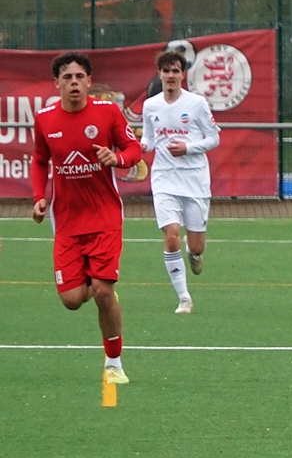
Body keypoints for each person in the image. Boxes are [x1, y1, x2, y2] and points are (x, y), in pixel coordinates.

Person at [31, 52, 143, 384]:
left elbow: (134, 149)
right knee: (72, 300)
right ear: (57, 84)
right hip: (66, 221)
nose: (74, 83)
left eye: (80, 77)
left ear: (89, 82)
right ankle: (98, 285)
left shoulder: (107, 113)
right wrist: (40, 198)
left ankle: (114, 362)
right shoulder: (45, 119)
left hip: (105, 217)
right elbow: (39, 161)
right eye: (68, 78)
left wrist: (118, 157)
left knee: (103, 292)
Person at [141, 50, 221, 314]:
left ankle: (195, 253)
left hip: (195, 180)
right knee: (171, 237)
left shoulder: (197, 103)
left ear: (182, 74)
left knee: (195, 244)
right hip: (164, 179)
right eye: (166, 70)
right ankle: (184, 298)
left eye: (176, 70)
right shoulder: (150, 105)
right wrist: (138, 146)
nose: (171, 75)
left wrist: (187, 148)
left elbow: (213, 139)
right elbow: (150, 141)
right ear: (159, 73)